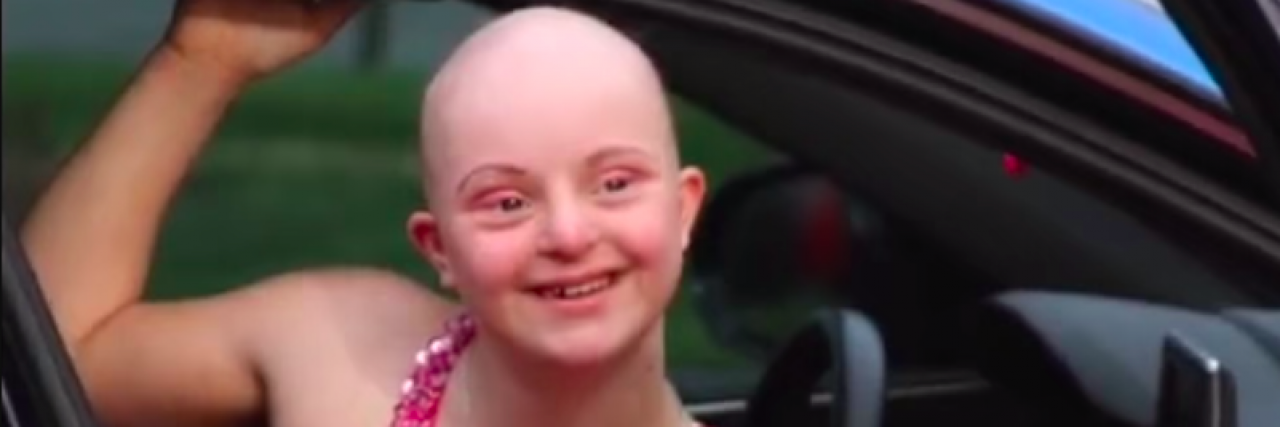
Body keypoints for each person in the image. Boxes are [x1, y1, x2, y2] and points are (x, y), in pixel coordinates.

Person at [20, 0, 708, 426]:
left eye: (614, 183)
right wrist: (199, 64)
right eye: (506, 202)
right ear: (437, 247)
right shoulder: (337, 343)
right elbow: (48, 359)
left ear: (684, 208)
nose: (567, 232)